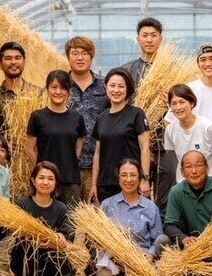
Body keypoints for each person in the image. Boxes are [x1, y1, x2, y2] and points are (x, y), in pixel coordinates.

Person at [120, 17, 176, 218]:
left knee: (168, 178)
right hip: (134, 139)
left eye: (153, 35)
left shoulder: (173, 71)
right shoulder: (127, 71)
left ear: (161, 38)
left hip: (164, 138)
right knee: (135, 184)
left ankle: (164, 225)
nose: (149, 40)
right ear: (138, 39)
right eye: (145, 35)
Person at [165, 44, 212, 190]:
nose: (208, 63)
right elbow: (170, 121)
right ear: (198, 64)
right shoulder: (190, 89)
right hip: (194, 166)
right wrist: (183, 146)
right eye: (203, 59)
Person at [94, 159, 163, 276]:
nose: (128, 179)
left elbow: (157, 239)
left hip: (143, 261)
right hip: (116, 260)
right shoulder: (107, 205)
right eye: (124, 175)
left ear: (140, 178)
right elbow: (98, 239)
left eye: (133, 175)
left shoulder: (150, 207)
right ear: (118, 178)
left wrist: (149, 257)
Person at [9, 161, 74, 276]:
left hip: (51, 259)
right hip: (26, 259)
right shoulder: (22, 204)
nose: (45, 182)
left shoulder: (61, 208)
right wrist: (35, 242)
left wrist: (60, 237)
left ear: (56, 182)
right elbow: (16, 233)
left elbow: (66, 234)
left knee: (55, 257)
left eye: (50, 179)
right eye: (41, 178)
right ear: (33, 180)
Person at [155, 150, 212, 257]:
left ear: (207, 168)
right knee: (162, 241)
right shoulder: (176, 192)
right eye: (188, 167)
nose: (194, 171)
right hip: (190, 246)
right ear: (182, 172)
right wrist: (184, 239)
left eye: (198, 165)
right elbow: (170, 225)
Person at [26, 70, 86, 208]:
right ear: (47, 89)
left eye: (63, 88)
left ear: (69, 91)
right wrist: (42, 170)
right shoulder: (37, 116)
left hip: (70, 179)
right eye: (54, 87)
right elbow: (29, 148)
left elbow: (79, 145)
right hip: (45, 181)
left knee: (71, 218)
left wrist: (69, 162)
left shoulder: (77, 117)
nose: (58, 92)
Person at [90, 68, 151, 203]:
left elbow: (145, 148)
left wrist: (145, 179)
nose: (116, 90)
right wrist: (94, 184)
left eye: (121, 86)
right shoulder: (101, 118)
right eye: (112, 85)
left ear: (127, 89)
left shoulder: (136, 114)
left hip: (131, 182)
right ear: (105, 87)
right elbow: (98, 154)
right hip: (106, 184)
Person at [65, 36, 110, 201]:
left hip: (98, 166)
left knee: (95, 212)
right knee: (69, 212)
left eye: (84, 53)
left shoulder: (106, 86)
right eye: (75, 53)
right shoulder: (60, 86)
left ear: (92, 56)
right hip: (67, 167)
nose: (80, 58)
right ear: (68, 57)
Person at [164, 84, 212, 184]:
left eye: (182, 102)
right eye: (174, 103)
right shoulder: (170, 130)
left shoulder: (207, 127)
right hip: (185, 185)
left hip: (211, 183)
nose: (178, 107)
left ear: (192, 103)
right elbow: (174, 158)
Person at [0, 41, 40, 134]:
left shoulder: (39, 94)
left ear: (24, 62)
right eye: (8, 58)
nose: (13, 62)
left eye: (18, 58)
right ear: (0, 64)